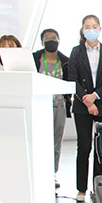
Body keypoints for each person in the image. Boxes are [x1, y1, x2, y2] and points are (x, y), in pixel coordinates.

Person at [68, 15, 102, 203]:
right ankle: (81, 189)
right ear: (82, 30)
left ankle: (99, 186)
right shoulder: (76, 52)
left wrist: (95, 97)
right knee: (84, 147)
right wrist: (88, 102)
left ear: (100, 29)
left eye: (94, 26)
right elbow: (73, 80)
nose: (91, 29)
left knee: (101, 147)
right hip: (82, 105)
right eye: (87, 26)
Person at [33, 29, 71, 188]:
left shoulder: (65, 60)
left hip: (59, 105)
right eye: (47, 38)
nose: (51, 40)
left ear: (59, 41)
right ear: (42, 42)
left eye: (54, 38)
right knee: (39, 140)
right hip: (39, 105)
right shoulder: (35, 58)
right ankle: (38, 172)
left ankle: (52, 174)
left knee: (56, 141)